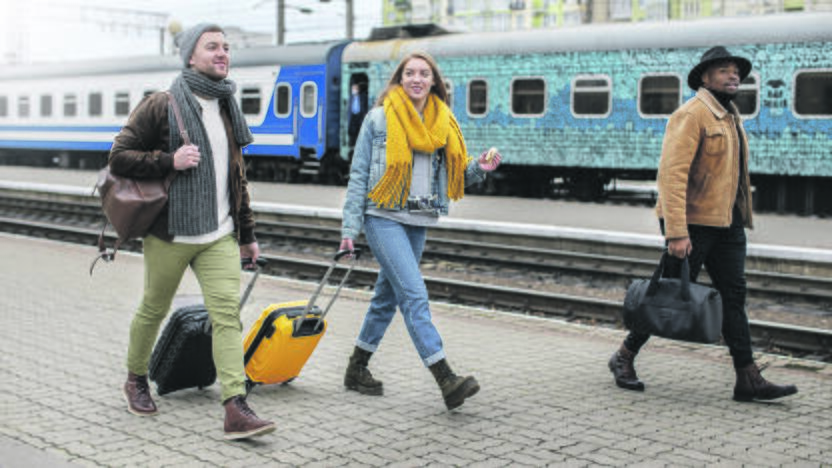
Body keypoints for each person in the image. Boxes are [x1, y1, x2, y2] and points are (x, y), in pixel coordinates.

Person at [110, 23, 276, 440]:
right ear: (190, 57)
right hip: (170, 234)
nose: (223, 53)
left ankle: (235, 405)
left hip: (218, 234)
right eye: (212, 47)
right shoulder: (160, 104)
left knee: (226, 317)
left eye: (226, 47)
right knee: (153, 308)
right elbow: (119, 157)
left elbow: (236, 178)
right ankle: (135, 379)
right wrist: (170, 161)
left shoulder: (226, 105)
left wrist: (247, 234)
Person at [608, 46, 798, 402]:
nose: (733, 76)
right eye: (724, 70)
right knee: (668, 295)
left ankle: (748, 378)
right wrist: (676, 232)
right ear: (705, 78)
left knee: (733, 298)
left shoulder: (729, 117)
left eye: (736, 71)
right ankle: (623, 356)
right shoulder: (692, 114)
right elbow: (672, 175)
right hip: (692, 225)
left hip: (728, 224)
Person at [338, 52, 501, 411]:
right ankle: (446, 377)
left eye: (423, 73)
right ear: (399, 79)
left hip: (419, 218)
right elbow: (359, 175)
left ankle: (356, 368)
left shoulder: (442, 122)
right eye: (409, 72)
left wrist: (480, 167)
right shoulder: (378, 119)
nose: (416, 78)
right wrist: (350, 228)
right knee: (414, 295)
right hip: (382, 216)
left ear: (433, 81)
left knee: (387, 297)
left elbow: (453, 175)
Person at [347, 83, 369, 148]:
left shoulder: (363, 97)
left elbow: (365, 106)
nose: (354, 90)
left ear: (358, 89)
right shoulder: (350, 97)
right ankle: (352, 144)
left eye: (355, 89)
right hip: (353, 116)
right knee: (352, 131)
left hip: (360, 115)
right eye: (353, 89)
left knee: (360, 130)